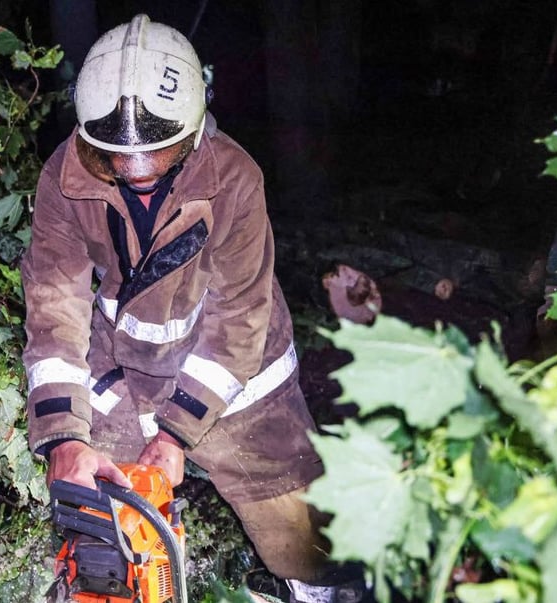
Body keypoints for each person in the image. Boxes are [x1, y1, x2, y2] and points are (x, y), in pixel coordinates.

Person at [21, 14, 369, 603]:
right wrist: (62, 438)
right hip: (124, 369)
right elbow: (54, 306)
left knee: (309, 542)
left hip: (237, 374)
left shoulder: (234, 178)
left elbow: (239, 318)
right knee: (102, 525)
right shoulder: (63, 176)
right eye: (115, 162)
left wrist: (177, 434)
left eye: (157, 160)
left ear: (193, 133)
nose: (136, 177)